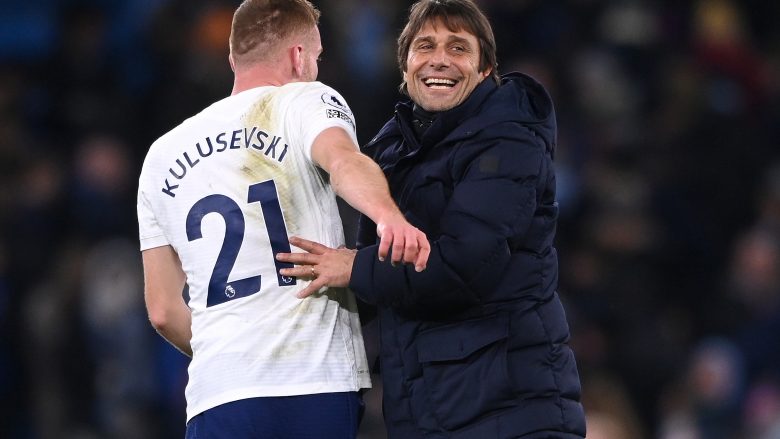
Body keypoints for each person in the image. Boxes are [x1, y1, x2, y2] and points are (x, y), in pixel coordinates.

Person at [275, 0, 587, 437]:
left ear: (485, 69)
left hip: (513, 412)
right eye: (425, 46)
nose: (439, 59)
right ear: (405, 67)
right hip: (427, 411)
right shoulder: (390, 151)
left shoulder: (509, 139)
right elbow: (376, 283)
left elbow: (465, 266)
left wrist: (353, 268)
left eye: (458, 48)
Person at [136, 0, 430, 437]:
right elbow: (343, 161)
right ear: (298, 56)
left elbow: (162, 310)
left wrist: (233, 358)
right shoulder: (304, 100)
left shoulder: (161, 155)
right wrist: (389, 218)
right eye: (317, 56)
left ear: (233, 57)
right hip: (310, 380)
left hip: (217, 395)